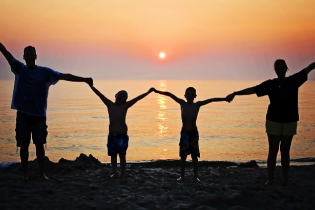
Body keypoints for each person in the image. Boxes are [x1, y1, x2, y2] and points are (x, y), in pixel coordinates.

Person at [0, 42, 93, 180]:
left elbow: (64, 76)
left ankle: (41, 173)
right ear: (24, 57)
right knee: (23, 146)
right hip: (23, 115)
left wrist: (84, 79)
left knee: (40, 145)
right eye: (27, 54)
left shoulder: (45, 72)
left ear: (36, 56)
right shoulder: (19, 68)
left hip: (39, 116)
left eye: (32, 54)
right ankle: (25, 175)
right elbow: (6, 53)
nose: (30, 56)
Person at [226, 59, 315, 185]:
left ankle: (285, 179)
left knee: (285, 150)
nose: (280, 71)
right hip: (273, 120)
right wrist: (235, 93)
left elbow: (308, 68)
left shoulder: (293, 80)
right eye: (277, 68)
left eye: (282, 68)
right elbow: (253, 90)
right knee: (273, 150)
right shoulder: (270, 84)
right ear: (275, 70)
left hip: (290, 121)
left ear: (286, 68)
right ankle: (270, 179)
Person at [153, 87, 229, 182]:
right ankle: (182, 176)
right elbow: (169, 94)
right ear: (185, 95)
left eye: (191, 94)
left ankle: (195, 177)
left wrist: (225, 99)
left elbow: (212, 100)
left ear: (195, 96)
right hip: (184, 133)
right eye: (188, 94)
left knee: (194, 156)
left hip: (193, 133)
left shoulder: (197, 105)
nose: (189, 96)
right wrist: (157, 91)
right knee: (183, 157)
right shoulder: (182, 103)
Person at [89, 84, 154, 178]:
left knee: (122, 156)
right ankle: (114, 173)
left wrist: (148, 92)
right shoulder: (109, 104)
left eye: (124, 97)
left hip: (122, 136)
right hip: (112, 135)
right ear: (116, 95)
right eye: (121, 94)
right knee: (113, 155)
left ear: (125, 100)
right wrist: (90, 85)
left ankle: (123, 173)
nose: (122, 97)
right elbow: (99, 94)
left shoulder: (125, 106)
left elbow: (137, 98)